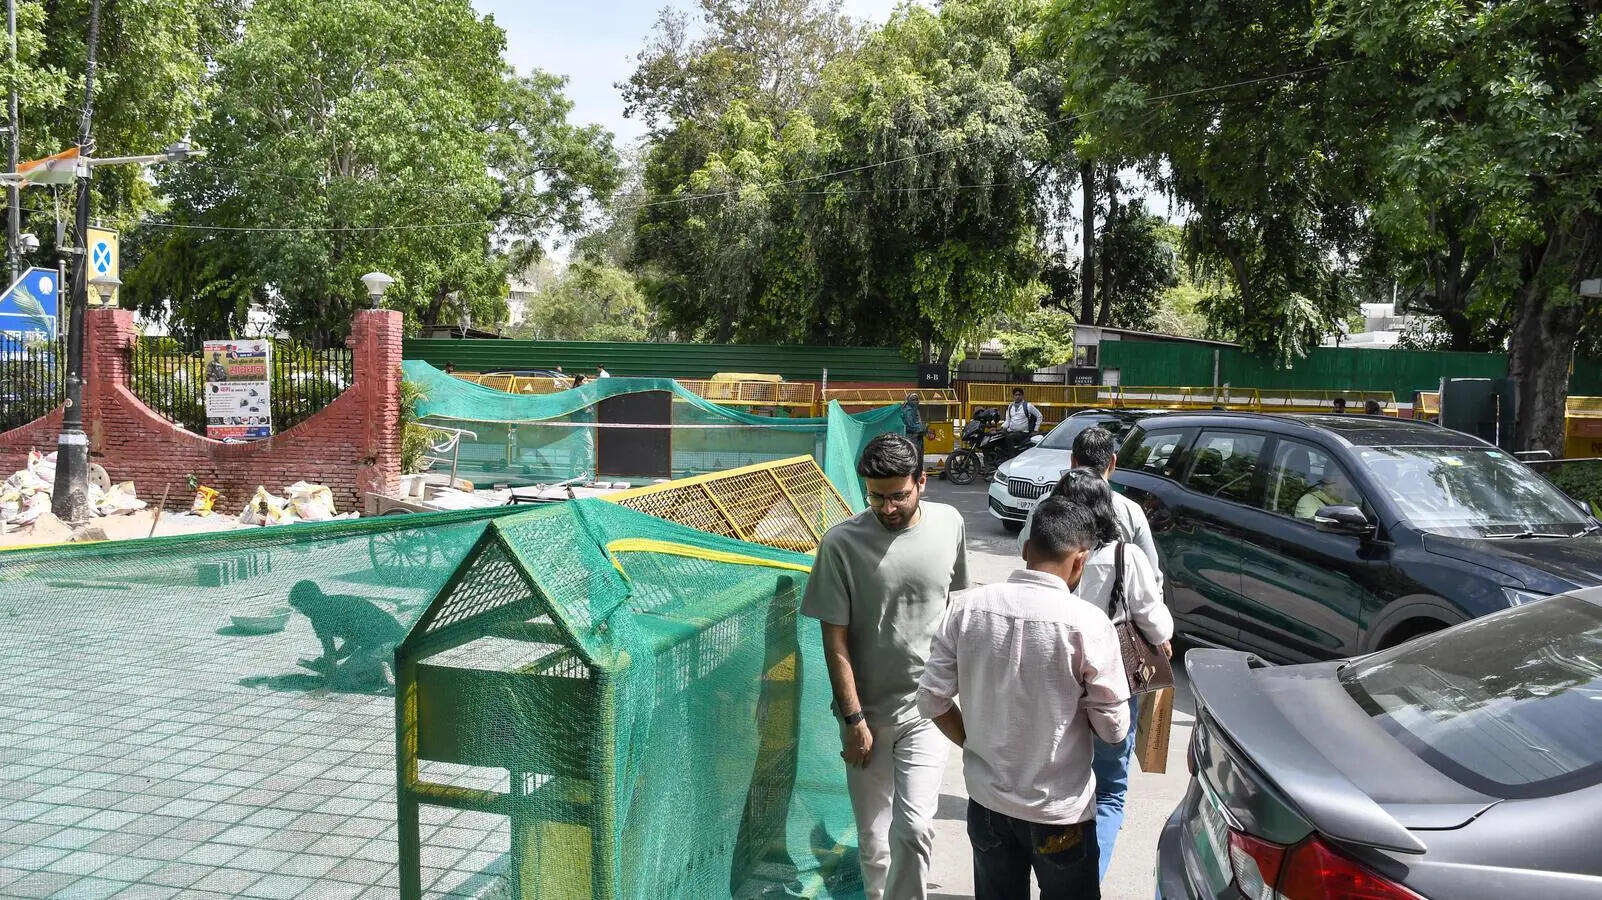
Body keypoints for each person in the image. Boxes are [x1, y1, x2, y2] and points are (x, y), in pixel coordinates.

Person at [917, 498, 1129, 900]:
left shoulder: (967, 608)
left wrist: (972, 741)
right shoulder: (1088, 624)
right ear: (1080, 561)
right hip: (1058, 811)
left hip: (988, 805)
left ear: (1026, 548)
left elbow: (930, 701)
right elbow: (1114, 729)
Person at [802, 433, 969, 900]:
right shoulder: (840, 545)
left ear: (922, 481)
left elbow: (958, 609)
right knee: (875, 844)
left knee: (914, 829)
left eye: (899, 494)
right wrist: (853, 719)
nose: (888, 506)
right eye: (876, 496)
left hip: (928, 710)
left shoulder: (951, 524)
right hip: (867, 716)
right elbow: (833, 639)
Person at [1031, 468, 1173, 879]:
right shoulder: (1126, 556)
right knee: (1109, 789)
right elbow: (1158, 626)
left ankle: (1054, 873)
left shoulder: (1048, 553)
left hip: (1056, 680)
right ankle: (1086, 880)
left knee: (1059, 782)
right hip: (1113, 684)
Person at [1019, 426, 1162, 591]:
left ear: (1073, 461)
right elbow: (1151, 577)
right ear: (1113, 462)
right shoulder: (1130, 510)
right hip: (1110, 612)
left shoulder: (1046, 503)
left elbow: (1026, 548)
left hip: (1054, 607)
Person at [1002, 388, 1042, 453]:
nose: (1017, 397)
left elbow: (1039, 416)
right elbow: (1008, 420)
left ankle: (1011, 457)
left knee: (1009, 438)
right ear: (1013, 396)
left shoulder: (1028, 406)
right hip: (1011, 431)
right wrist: (1002, 427)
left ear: (1022, 396)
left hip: (1023, 432)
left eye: (1019, 395)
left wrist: (1036, 430)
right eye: (1016, 395)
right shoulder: (1010, 406)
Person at [901, 393, 929, 471]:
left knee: (918, 457)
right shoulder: (908, 410)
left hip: (917, 437)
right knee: (913, 456)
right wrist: (922, 428)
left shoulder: (915, 410)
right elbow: (910, 425)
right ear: (908, 401)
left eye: (917, 399)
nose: (916, 401)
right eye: (913, 400)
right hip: (911, 437)